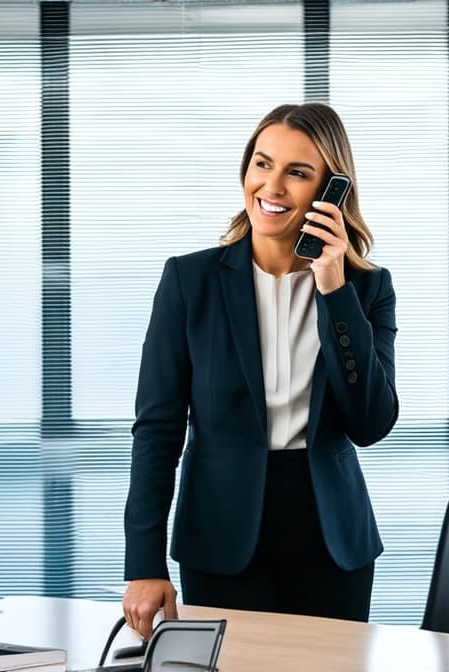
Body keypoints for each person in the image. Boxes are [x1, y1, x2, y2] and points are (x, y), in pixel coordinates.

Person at [122, 102, 398, 640]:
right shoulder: (190, 281)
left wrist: (333, 288)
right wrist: (143, 563)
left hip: (331, 541)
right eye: (262, 164)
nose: (271, 186)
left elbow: (370, 424)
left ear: (330, 190)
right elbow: (157, 431)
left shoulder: (366, 289)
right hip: (222, 535)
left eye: (298, 173)